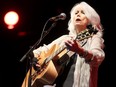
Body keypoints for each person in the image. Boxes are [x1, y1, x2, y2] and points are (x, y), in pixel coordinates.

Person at [21, 1, 105, 87]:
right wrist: (35, 59)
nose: (78, 15)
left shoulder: (93, 38)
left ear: (90, 19)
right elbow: (40, 51)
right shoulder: (65, 39)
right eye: (76, 13)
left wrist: (80, 51)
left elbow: (98, 57)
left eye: (83, 13)